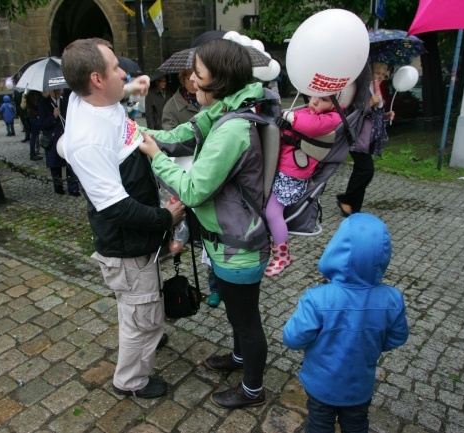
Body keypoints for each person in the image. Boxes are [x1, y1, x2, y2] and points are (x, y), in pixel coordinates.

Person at [140, 38, 270, 409]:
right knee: (234, 310)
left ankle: (253, 390)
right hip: (225, 242)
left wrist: (152, 155)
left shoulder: (232, 129)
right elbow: (182, 136)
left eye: (198, 73)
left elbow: (194, 190)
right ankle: (240, 358)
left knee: (246, 319)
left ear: (220, 79)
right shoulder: (223, 110)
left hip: (239, 247)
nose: (192, 80)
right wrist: (145, 134)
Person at [60, 38, 185, 399]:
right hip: (127, 247)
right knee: (139, 316)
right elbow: (117, 209)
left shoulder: (86, 98)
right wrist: (166, 216)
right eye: (117, 68)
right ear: (97, 80)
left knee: (140, 307)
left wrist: (129, 89)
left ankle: (151, 333)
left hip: (139, 243)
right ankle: (131, 381)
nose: (125, 72)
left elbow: (112, 101)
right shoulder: (89, 139)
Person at [283, 213, 409, 432]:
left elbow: (293, 338)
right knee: (357, 424)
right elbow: (398, 337)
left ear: (337, 250)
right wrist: (373, 344)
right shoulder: (392, 299)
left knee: (320, 423)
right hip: (360, 386)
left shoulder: (317, 297)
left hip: (321, 384)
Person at [161, 69, 222, 307]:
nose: (193, 81)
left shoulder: (212, 103)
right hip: (185, 166)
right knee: (192, 209)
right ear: (183, 80)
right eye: (189, 77)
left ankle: (218, 278)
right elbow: (170, 139)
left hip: (208, 169)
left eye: (197, 75)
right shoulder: (172, 106)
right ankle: (196, 240)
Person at [264, 96, 343, 277]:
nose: (314, 102)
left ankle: (282, 256)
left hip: (292, 173)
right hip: (280, 166)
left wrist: (288, 116)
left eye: (322, 99)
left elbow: (308, 126)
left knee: (272, 213)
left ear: (335, 104)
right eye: (313, 96)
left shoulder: (332, 118)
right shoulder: (309, 111)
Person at [337, 62, 394, 216]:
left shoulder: (375, 90)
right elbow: (354, 111)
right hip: (358, 136)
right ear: (370, 73)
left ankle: (354, 206)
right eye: (378, 73)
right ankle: (346, 200)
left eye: (383, 74)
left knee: (361, 170)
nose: (381, 77)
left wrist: (386, 115)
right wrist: (370, 103)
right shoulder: (362, 89)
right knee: (366, 170)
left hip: (369, 137)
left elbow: (373, 116)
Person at [38, 88, 80, 196]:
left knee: (70, 162)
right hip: (53, 139)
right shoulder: (44, 103)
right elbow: (43, 124)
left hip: (66, 137)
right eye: (55, 90)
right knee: (55, 165)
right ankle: (58, 186)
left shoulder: (66, 102)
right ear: (50, 91)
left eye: (59, 90)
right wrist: (54, 116)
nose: (58, 92)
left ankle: (73, 188)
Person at [26, 90, 43, 161]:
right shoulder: (33, 94)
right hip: (35, 116)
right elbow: (36, 105)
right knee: (34, 135)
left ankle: (34, 152)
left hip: (34, 116)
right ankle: (32, 153)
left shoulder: (33, 94)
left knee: (35, 135)